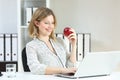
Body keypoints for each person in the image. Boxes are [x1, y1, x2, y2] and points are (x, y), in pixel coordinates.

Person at [26, 7, 77, 75]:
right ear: (37, 23)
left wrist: (74, 45)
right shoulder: (31, 46)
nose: (51, 26)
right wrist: (62, 70)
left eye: (52, 23)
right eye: (46, 23)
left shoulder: (60, 41)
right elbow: (35, 68)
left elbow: (71, 67)